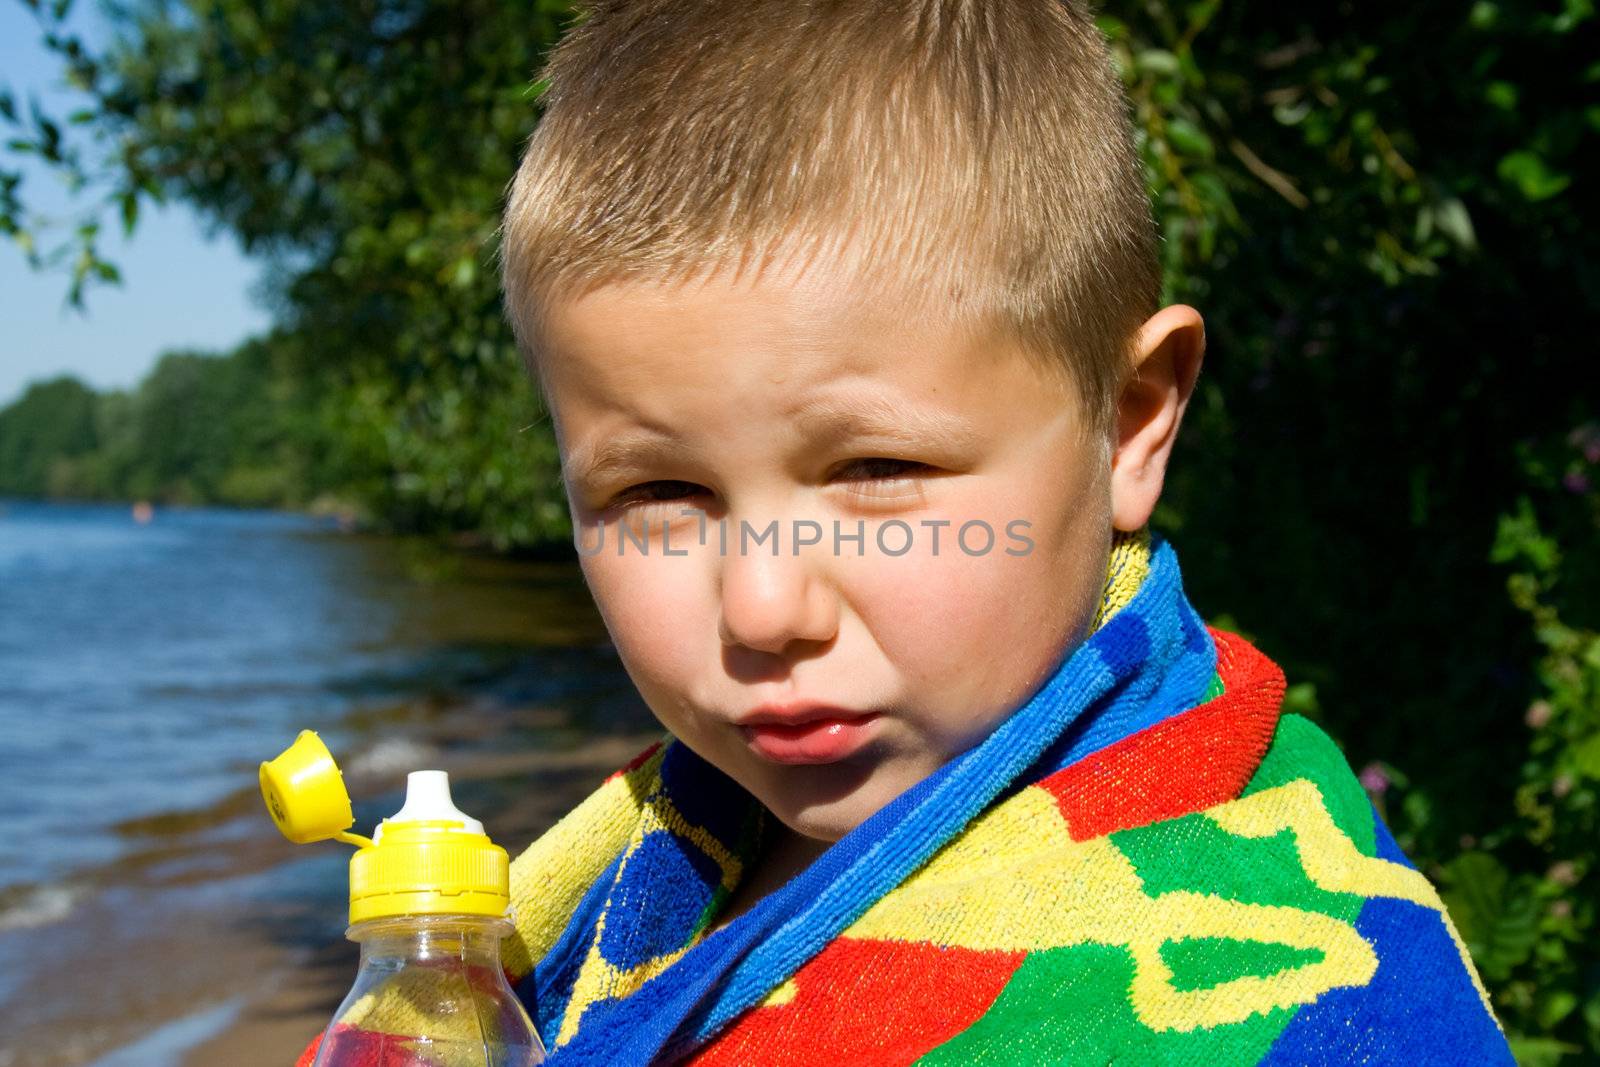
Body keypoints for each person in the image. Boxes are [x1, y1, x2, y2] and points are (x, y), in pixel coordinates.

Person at [298, 1, 1514, 1063]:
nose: (764, 611)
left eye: (877, 469)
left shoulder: (1294, 966)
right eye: (657, 496)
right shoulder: (682, 835)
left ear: (1129, 422)